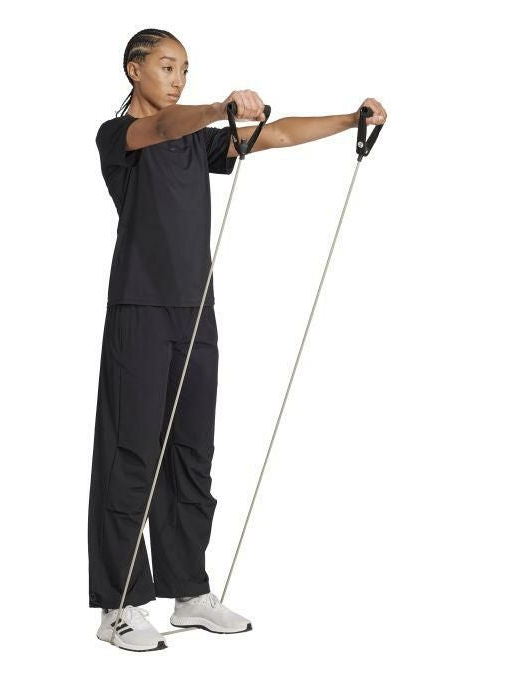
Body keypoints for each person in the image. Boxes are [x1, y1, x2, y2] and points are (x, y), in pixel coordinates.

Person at [88, 27, 387, 652]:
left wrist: (350, 119)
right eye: (166, 66)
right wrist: (218, 107)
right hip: (140, 310)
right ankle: (119, 606)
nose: (177, 79)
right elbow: (162, 127)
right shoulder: (120, 135)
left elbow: (275, 135)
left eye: (185, 69)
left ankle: (189, 593)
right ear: (134, 69)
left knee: (191, 455)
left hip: (196, 313)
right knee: (131, 455)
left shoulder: (197, 138)